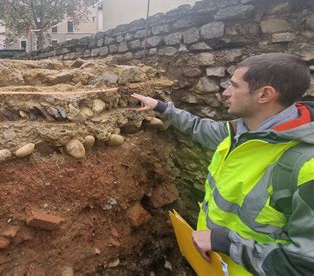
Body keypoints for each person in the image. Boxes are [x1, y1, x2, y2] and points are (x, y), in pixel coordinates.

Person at [131, 53, 314, 275]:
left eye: (234, 86)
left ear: (264, 94)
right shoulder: (242, 132)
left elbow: (303, 264)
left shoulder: (305, 166)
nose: (225, 93)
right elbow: (199, 127)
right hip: (214, 263)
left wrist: (227, 243)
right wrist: (161, 107)